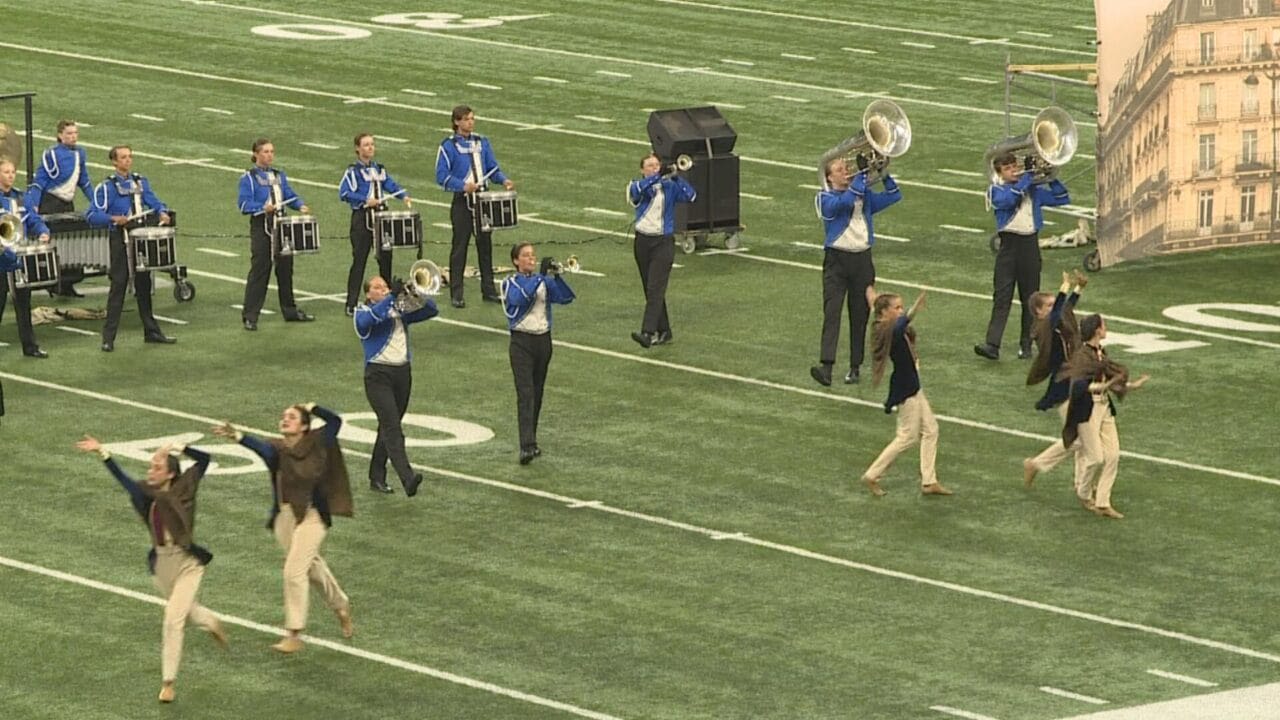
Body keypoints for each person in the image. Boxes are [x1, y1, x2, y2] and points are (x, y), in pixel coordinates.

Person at [74, 435, 228, 704]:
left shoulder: (185, 488)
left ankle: (168, 683)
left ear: (170, 473)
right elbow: (123, 480)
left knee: (172, 619)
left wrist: (180, 447)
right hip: (162, 565)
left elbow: (204, 460)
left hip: (187, 564)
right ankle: (210, 621)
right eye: (150, 466)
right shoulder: (147, 494)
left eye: (157, 466)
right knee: (186, 612)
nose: (150, 470)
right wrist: (103, 453)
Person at [212, 403, 353, 653]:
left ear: (305, 426)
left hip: (312, 515)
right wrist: (237, 436)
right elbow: (261, 447)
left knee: (293, 571)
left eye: (292, 417)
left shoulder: (319, 441)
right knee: (310, 565)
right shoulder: (278, 449)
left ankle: (294, 633)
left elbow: (335, 422)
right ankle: (340, 603)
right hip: (285, 516)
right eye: (283, 416)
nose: (285, 419)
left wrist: (314, 407)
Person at [810, 156, 901, 387]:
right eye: (840, 170)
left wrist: (883, 174)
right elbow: (844, 204)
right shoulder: (825, 198)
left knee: (859, 316)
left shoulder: (863, 195)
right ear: (829, 177)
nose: (845, 172)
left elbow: (894, 196)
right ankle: (826, 367)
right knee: (832, 313)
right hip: (836, 262)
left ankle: (855, 367)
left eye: (846, 168)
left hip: (862, 261)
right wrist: (861, 176)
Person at [974, 152, 1071, 361]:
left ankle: (1027, 345)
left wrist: (1050, 176)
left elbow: (1063, 198)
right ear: (999, 172)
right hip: (1008, 248)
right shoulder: (995, 190)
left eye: (1015, 166)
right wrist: (1027, 178)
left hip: (1030, 246)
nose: (1014, 170)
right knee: (1002, 297)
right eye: (1008, 168)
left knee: (1031, 298)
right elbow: (1008, 201)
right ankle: (992, 344)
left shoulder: (1032, 191)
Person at [859, 291, 952, 498]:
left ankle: (929, 481)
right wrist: (913, 311)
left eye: (901, 307)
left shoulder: (886, 326)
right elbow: (901, 326)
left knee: (931, 430)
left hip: (913, 386)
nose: (900, 311)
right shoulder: (887, 329)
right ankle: (872, 474)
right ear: (885, 312)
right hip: (906, 388)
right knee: (907, 437)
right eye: (897, 308)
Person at [85, 146, 177, 352]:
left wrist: (162, 211)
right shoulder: (106, 187)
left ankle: (151, 331)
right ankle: (108, 338)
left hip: (140, 237)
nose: (128, 161)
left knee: (144, 285)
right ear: (114, 162)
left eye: (130, 157)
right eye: (123, 158)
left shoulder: (139, 182)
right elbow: (91, 215)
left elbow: (153, 201)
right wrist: (113, 218)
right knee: (119, 286)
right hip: (120, 238)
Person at [1058, 314, 1149, 518]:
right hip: (1089, 407)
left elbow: (1108, 378)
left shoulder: (1101, 353)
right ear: (1097, 330)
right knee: (1096, 458)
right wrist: (1102, 386)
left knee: (1113, 454)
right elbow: (1078, 385)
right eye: (1104, 325)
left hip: (1105, 406)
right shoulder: (1082, 356)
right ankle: (1083, 492)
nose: (1106, 328)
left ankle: (1102, 501)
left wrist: (1131, 385)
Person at [354, 274, 436, 495]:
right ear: (368, 294)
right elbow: (369, 320)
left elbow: (431, 310)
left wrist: (416, 293)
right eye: (377, 287)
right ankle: (407, 478)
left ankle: (376, 475)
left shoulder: (398, 308)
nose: (382, 289)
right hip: (378, 376)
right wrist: (391, 296)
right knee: (392, 428)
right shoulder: (361, 312)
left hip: (402, 374)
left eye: (385, 286)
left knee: (388, 426)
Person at [502, 243, 575, 464]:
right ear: (516, 261)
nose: (531, 258)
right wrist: (541, 277)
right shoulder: (510, 282)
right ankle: (526, 445)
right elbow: (521, 298)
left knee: (537, 393)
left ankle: (531, 440)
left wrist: (557, 277)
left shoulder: (542, 282)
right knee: (525, 394)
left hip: (543, 341)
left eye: (533, 255)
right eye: (526, 256)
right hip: (521, 342)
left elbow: (566, 298)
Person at [435, 105, 513, 309]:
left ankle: (488, 290)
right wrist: (463, 186)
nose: (471, 122)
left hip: (483, 199)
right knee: (459, 248)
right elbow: (441, 176)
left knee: (485, 246)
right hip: (463, 202)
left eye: (472, 118)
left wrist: (503, 180)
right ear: (456, 122)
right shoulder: (448, 146)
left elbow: (492, 168)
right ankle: (456, 293)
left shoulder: (482, 142)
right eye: (467, 119)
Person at [237, 138, 314, 331]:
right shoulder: (248, 177)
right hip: (262, 226)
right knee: (260, 270)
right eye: (265, 152)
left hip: (282, 225)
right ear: (255, 154)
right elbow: (244, 204)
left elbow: (288, 194)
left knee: (286, 269)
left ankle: (290, 310)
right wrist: (263, 208)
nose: (269, 155)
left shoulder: (279, 175)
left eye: (272, 151)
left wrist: (299, 205)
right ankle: (250, 315)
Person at [1022, 270, 1088, 487]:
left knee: (1084, 436)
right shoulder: (1043, 327)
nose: (1054, 308)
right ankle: (1037, 464)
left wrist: (1078, 289)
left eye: (1052, 304)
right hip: (1064, 386)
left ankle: (1082, 483)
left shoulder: (1056, 321)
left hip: (1076, 380)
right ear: (1038, 312)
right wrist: (1064, 286)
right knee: (1080, 439)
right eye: (1048, 305)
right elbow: (1059, 310)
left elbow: (1065, 308)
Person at [626, 152, 696, 348]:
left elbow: (691, 196)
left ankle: (647, 333)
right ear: (642, 170)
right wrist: (658, 176)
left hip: (663, 243)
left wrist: (676, 177)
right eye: (649, 166)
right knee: (650, 288)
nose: (654, 168)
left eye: (656, 165)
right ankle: (664, 330)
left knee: (655, 289)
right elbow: (637, 191)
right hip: (642, 242)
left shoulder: (670, 186)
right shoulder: (636, 185)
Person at [339, 133, 412, 317]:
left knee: (386, 259)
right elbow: (344, 193)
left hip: (382, 218)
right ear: (357, 148)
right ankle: (351, 303)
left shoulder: (379, 169)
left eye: (372, 144)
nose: (370, 148)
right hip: (362, 218)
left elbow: (390, 184)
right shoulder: (353, 171)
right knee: (359, 261)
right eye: (366, 145)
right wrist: (365, 200)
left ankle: (389, 300)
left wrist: (402, 195)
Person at [26, 120, 92, 298]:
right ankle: (52, 282)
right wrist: (33, 204)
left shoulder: (80, 153)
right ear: (60, 136)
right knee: (53, 245)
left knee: (72, 246)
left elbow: (84, 181)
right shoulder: (52, 155)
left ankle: (68, 283)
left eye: (75, 133)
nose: (73, 137)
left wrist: (96, 202)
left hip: (67, 203)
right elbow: (39, 182)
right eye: (69, 133)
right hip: (51, 202)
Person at [0, 159, 52, 357]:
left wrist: (43, 231)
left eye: (13, 172)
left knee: (23, 303)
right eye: (6, 172)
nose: (11, 175)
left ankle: (30, 346)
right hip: (1, 260)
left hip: (18, 258)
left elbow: (33, 219)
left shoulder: (22, 197)